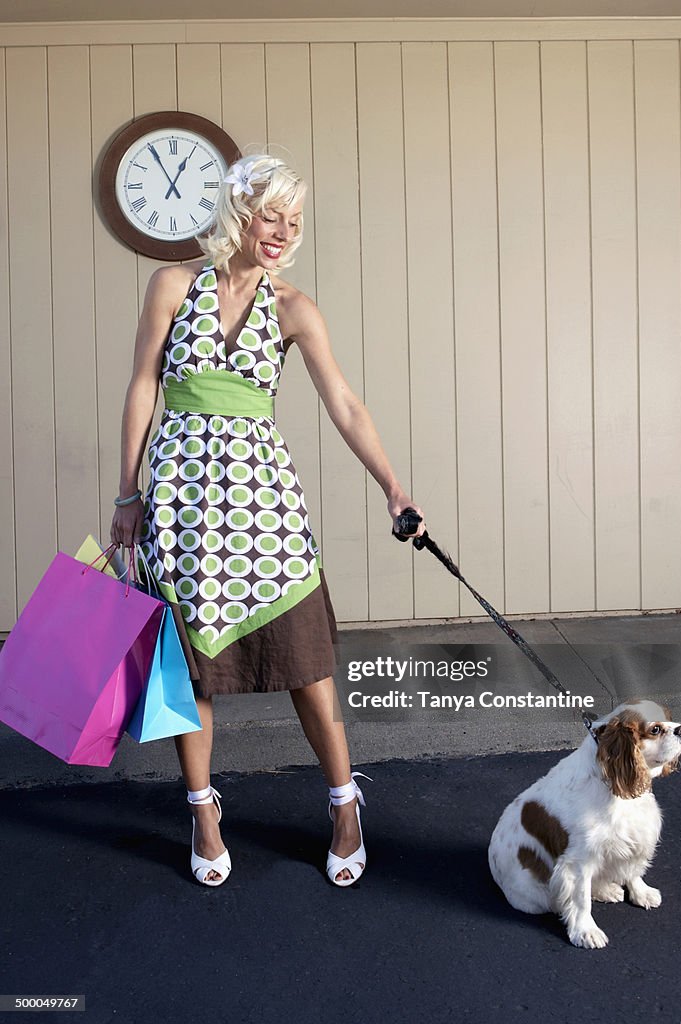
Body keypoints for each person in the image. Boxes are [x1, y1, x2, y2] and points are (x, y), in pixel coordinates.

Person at [110, 153, 425, 888]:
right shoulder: (172, 285)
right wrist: (128, 495)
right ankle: (203, 811)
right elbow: (141, 388)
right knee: (188, 671)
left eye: (294, 220)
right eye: (270, 215)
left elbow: (344, 404)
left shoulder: (293, 308)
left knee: (307, 661)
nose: (283, 231)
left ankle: (344, 803)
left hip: (263, 506)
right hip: (182, 505)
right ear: (236, 214)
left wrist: (392, 487)